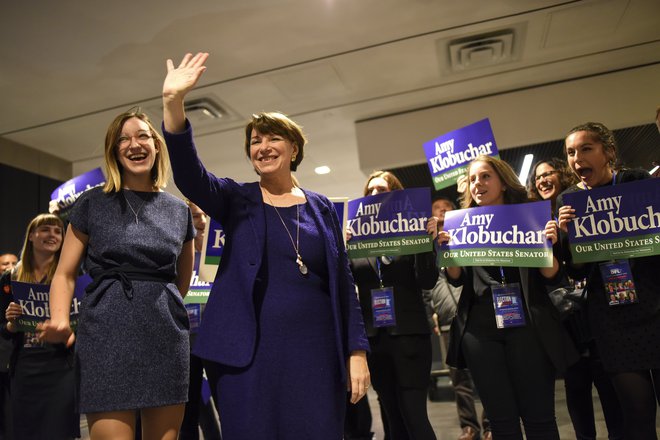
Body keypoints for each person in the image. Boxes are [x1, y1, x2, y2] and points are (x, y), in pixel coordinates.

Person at [161, 52, 370, 440]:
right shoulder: (236, 199)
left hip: (317, 355)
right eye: (255, 141)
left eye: (274, 138)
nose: (262, 146)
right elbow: (190, 176)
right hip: (247, 358)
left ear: (294, 148)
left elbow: (345, 287)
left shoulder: (322, 207)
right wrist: (173, 103)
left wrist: (356, 352)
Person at [39, 108, 195, 440]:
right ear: (114, 151)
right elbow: (65, 274)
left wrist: (157, 307)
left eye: (142, 136)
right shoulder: (92, 203)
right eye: (123, 139)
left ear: (156, 145)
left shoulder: (179, 210)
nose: (133, 144)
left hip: (166, 338)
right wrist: (60, 319)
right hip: (106, 335)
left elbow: (181, 280)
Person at [438, 155, 578, 440]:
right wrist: (447, 250)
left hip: (529, 328)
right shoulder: (461, 224)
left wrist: (546, 243)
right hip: (480, 333)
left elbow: (551, 275)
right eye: (473, 179)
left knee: (540, 420)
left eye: (485, 176)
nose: (478, 183)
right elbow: (455, 277)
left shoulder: (529, 217)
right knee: (501, 424)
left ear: (502, 182)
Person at [557, 122, 660, 439]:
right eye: (571, 152)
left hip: (655, 305)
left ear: (609, 152)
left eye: (586, 148)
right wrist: (564, 237)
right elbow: (575, 272)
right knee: (637, 418)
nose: (577, 158)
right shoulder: (569, 201)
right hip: (613, 319)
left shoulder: (637, 182)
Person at [527, 158, 624, 440]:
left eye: (548, 174)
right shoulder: (533, 218)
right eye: (538, 177)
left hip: (596, 310)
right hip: (562, 320)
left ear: (563, 175)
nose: (542, 180)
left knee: (609, 389)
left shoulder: (583, 204)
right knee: (576, 389)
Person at [350, 170, 438, 440]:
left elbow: (427, 280)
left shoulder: (413, 234)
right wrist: (344, 248)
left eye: (382, 189)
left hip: (409, 335)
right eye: (371, 191)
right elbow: (346, 284)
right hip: (375, 340)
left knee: (414, 414)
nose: (375, 195)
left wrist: (427, 243)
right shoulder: (359, 239)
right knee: (391, 417)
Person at [0, 214, 79, 439]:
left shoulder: (74, 276)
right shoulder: (10, 278)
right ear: (32, 236)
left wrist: (69, 334)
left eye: (58, 231)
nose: (53, 234)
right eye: (46, 229)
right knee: (25, 431)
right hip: (24, 367)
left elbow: (83, 326)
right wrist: (10, 325)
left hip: (62, 366)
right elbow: (3, 328)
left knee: (59, 431)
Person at [426, 196, 491, 440]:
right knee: (459, 378)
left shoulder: (466, 233)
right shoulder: (428, 241)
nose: (442, 211)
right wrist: (430, 314)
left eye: (447, 208)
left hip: (473, 313)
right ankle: (469, 427)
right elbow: (425, 285)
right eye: (437, 208)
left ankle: (491, 424)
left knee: (485, 372)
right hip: (445, 321)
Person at [179, 201, 222, 440]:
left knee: (228, 408)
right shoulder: (178, 257)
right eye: (196, 216)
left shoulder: (221, 255)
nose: (203, 221)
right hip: (186, 343)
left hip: (217, 341)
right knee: (188, 415)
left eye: (206, 215)